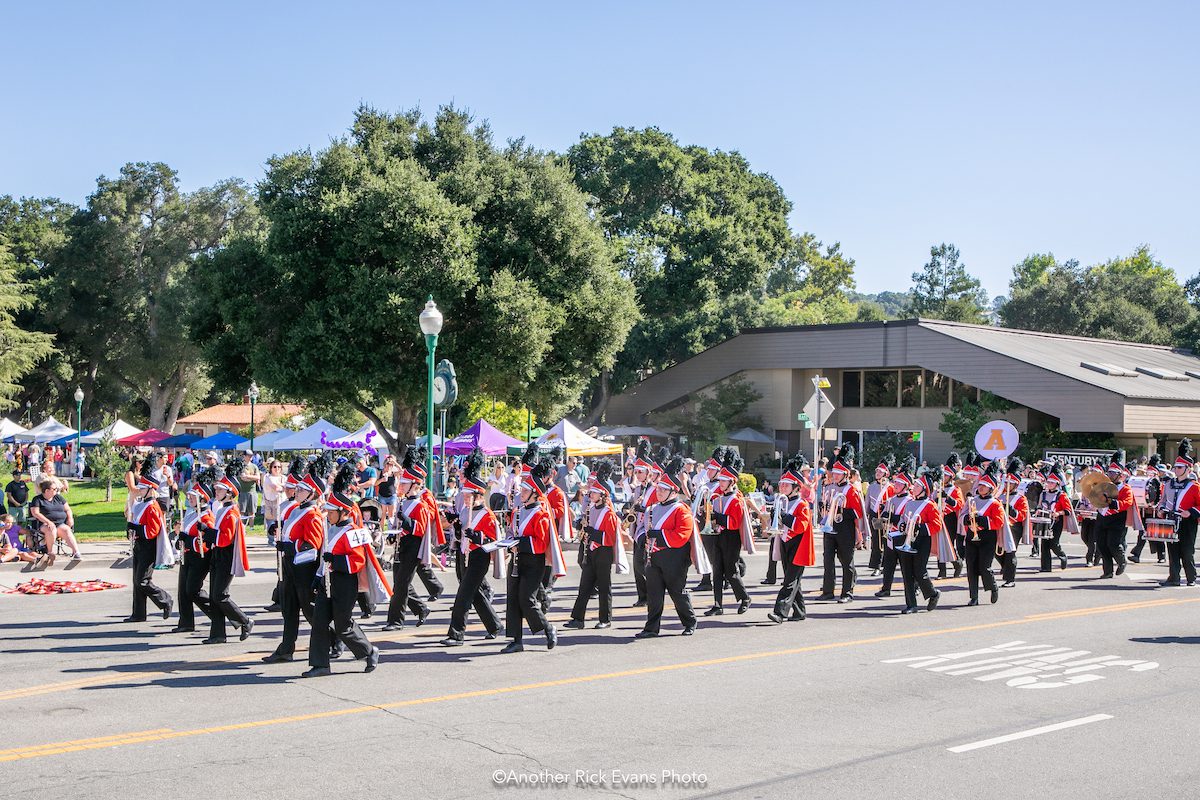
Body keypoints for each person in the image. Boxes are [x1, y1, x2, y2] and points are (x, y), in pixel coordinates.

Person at [302, 466, 386, 677]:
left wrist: (336, 560)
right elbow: (325, 558)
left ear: (342, 513)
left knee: (343, 626)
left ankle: (369, 651)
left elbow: (357, 562)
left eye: (331, 511)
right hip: (327, 580)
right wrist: (318, 577)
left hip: (345, 583)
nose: (327, 514)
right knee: (319, 622)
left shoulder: (354, 532)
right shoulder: (329, 529)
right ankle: (320, 665)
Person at [263, 456, 332, 666]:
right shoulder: (294, 509)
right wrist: (276, 531)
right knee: (289, 610)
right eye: (298, 489)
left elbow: (311, 545)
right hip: (289, 568)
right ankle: (286, 648)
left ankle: (334, 639)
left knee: (310, 612)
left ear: (312, 493)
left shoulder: (313, 514)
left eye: (302, 490)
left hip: (304, 570)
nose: (297, 492)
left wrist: (290, 546)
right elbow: (287, 531)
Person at [440, 448, 502, 645]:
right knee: (475, 594)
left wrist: (476, 535)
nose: (465, 500)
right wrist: (456, 524)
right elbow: (460, 536)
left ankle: (456, 634)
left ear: (479, 496)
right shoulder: (466, 512)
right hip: (465, 554)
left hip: (478, 558)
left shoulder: (487, 515)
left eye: (469, 496)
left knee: (463, 596)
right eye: (465, 496)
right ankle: (494, 625)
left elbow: (492, 541)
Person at [635, 455, 699, 638]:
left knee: (676, 592)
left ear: (673, 491)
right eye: (659, 489)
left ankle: (690, 622)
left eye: (663, 490)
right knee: (654, 593)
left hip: (675, 557)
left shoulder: (681, 509)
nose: (659, 492)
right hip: (653, 556)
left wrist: (659, 537)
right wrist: (643, 540)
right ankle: (651, 628)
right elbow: (641, 528)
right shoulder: (652, 508)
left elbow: (682, 535)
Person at [500, 457, 559, 653]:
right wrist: (509, 543)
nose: (521, 493)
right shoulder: (517, 510)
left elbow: (540, 543)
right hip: (517, 559)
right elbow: (511, 532)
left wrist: (519, 544)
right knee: (513, 599)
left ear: (534, 494)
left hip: (533, 562)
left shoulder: (541, 514)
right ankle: (516, 640)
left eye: (525, 491)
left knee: (527, 599)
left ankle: (548, 628)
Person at [564, 458, 627, 630]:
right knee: (584, 585)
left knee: (604, 586)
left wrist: (592, 533)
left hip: (603, 553)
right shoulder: (591, 509)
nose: (590, 495)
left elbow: (610, 538)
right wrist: (582, 528)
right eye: (591, 493)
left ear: (602, 495)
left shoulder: (609, 513)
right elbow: (588, 529)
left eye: (594, 493)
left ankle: (605, 619)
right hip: (590, 550)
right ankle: (578, 618)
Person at [382, 447, 435, 631]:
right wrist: (392, 534)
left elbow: (420, 529)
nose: (400, 486)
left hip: (413, 547)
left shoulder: (420, 505)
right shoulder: (404, 501)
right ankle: (421, 609)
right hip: (402, 545)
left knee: (402, 585)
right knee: (399, 582)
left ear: (414, 484)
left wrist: (406, 522)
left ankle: (396, 621)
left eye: (404, 484)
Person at [204, 459, 253, 644]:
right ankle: (217, 634)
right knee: (214, 595)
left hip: (227, 556)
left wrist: (208, 533)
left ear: (230, 493)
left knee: (220, 595)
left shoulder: (232, 513)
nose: (216, 491)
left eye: (220, 489)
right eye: (217, 489)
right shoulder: (222, 509)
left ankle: (245, 621)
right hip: (218, 554)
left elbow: (224, 539)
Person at [705, 448, 754, 616]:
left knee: (731, 571)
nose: (720, 483)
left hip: (731, 538)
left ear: (732, 482)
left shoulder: (737, 500)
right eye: (720, 480)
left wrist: (716, 516)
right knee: (717, 570)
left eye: (724, 481)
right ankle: (718, 605)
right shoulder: (717, 494)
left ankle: (745, 598)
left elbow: (733, 524)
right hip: (717, 535)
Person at [124, 462, 174, 622]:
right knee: (136, 581)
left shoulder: (152, 506)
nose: (140, 490)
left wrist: (136, 528)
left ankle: (165, 600)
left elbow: (151, 531)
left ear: (151, 490)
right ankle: (138, 613)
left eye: (143, 488)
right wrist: (131, 529)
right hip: (140, 545)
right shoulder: (142, 504)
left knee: (143, 581)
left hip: (148, 547)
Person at [766, 454, 814, 624]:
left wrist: (784, 517)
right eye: (782, 484)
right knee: (792, 579)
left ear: (796, 487)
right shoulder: (782, 501)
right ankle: (800, 611)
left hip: (798, 545)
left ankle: (780, 612)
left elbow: (801, 526)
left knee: (789, 581)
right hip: (785, 543)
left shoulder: (802, 504)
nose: (782, 487)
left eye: (786, 485)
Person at [816, 444, 865, 604]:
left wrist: (840, 511)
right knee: (827, 559)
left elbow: (858, 513)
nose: (835, 476)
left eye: (838, 473)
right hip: (830, 527)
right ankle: (828, 590)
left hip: (845, 528)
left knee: (846, 561)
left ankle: (847, 592)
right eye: (834, 473)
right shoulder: (830, 488)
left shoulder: (851, 490)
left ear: (845, 474)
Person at [173, 469, 217, 634]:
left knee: (193, 590)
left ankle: (217, 614)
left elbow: (206, 543)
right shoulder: (192, 514)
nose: (189, 498)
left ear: (202, 498)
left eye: (193, 496)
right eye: (189, 496)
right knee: (183, 590)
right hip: (188, 555)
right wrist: (180, 541)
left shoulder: (207, 517)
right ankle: (186, 622)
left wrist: (188, 540)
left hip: (200, 558)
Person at [894, 467, 942, 614]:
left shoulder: (930, 505)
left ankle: (933, 594)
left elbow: (937, 525)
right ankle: (911, 604)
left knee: (920, 571)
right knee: (906, 572)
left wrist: (919, 528)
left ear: (924, 489)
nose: (913, 488)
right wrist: (902, 525)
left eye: (916, 486)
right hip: (907, 540)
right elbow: (903, 520)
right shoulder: (909, 503)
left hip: (922, 541)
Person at [960, 462, 1004, 606]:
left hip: (987, 538)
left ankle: (993, 587)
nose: (980, 488)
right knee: (971, 567)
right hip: (971, 536)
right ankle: (974, 597)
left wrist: (982, 520)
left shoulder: (995, 503)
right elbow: (963, 516)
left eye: (984, 486)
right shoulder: (972, 500)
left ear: (991, 488)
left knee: (984, 567)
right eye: (980, 485)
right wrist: (967, 519)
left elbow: (999, 522)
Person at [1161, 439, 1199, 587]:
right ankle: (1174, 577)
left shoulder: (1194, 486)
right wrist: (1161, 509)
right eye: (1175, 467)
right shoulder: (1168, 484)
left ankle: (1191, 577)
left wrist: (1190, 512)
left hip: (1188, 522)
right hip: (1171, 520)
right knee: (1172, 549)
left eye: (1179, 467)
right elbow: (1163, 501)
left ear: (1187, 468)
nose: (1176, 469)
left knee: (1187, 551)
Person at [1095, 449, 1136, 579]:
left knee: (1113, 544)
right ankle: (1107, 571)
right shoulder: (1104, 486)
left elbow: (1127, 502)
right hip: (1102, 517)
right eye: (1109, 472)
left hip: (1117, 519)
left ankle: (1121, 560)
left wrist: (1114, 503)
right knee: (1101, 545)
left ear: (1120, 475)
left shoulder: (1125, 488)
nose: (1110, 475)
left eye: (1113, 473)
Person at [28, 480, 81, 563]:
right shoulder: (37, 499)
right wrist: (48, 522)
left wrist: (70, 518)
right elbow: (35, 513)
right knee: (51, 529)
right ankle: (50, 552)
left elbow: (67, 509)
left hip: (60, 523)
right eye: (54, 489)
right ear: (47, 490)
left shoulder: (58, 497)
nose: (57, 490)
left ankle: (76, 552)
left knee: (66, 529)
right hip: (43, 524)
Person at [1034, 462, 1073, 572]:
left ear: (1057, 483)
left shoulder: (1062, 495)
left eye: (1052, 482)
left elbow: (1068, 511)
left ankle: (1062, 556)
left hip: (1056, 522)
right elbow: (1039, 506)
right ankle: (1045, 567)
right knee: (1044, 545)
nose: (1049, 484)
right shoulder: (1043, 494)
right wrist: (1037, 511)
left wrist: (1058, 513)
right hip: (1044, 521)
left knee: (1053, 543)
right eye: (1048, 482)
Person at [935, 453, 966, 579]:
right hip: (938, 517)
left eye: (946, 475)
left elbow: (959, 505)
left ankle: (957, 563)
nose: (944, 477)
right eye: (943, 475)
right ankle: (942, 571)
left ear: (951, 477)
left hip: (950, 519)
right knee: (939, 544)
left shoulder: (955, 489)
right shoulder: (937, 488)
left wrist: (947, 498)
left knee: (948, 544)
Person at [865, 454, 896, 576]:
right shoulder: (872, 486)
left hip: (886, 517)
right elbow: (867, 502)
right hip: (875, 516)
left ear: (886, 474)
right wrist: (868, 514)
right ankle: (876, 566)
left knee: (886, 540)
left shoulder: (891, 487)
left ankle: (886, 564)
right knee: (876, 540)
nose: (877, 473)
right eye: (876, 471)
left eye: (880, 472)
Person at [261, 459, 285, 546]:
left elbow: (287, 487)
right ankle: (271, 541)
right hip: (270, 503)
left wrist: (282, 487)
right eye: (275, 467)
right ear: (271, 468)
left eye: (279, 467)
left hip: (281, 503)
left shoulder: (284, 477)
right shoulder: (268, 478)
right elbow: (276, 488)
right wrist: (283, 486)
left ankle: (279, 540)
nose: (277, 469)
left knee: (280, 524)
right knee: (271, 523)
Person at [237, 452, 260, 531]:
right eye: (248, 455)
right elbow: (243, 478)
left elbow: (258, 477)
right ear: (244, 456)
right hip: (243, 491)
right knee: (242, 511)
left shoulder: (254, 466)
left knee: (252, 511)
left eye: (251, 456)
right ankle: (241, 527)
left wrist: (248, 476)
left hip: (252, 491)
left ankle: (251, 527)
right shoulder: (241, 466)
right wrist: (252, 478)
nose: (250, 457)